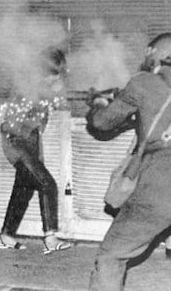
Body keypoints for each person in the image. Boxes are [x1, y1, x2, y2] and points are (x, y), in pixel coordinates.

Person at [87, 32, 171, 291]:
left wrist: (100, 102)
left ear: (152, 53)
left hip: (161, 183)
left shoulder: (144, 82)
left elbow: (102, 122)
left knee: (111, 255)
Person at [0, 47, 71, 254]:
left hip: (27, 142)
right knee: (48, 185)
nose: (55, 79)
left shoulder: (37, 87)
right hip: (17, 143)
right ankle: (50, 239)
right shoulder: (29, 87)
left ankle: (6, 236)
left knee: (23, 189)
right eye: (53, 74)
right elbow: (16, 123)